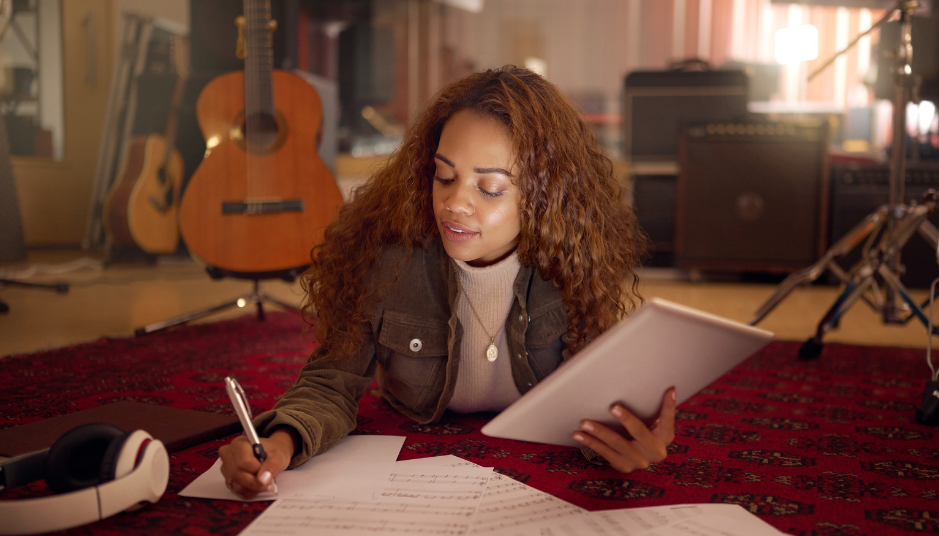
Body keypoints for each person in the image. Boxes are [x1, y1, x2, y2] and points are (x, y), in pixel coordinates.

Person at [219, 65, 677, 499]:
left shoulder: (574, 263)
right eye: (444, 176)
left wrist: (626, 437)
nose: (455, 203)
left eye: (490, 188)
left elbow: (597, 399)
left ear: (544, 194)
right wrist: (280, 443)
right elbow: (330, 382)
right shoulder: (385, 259)